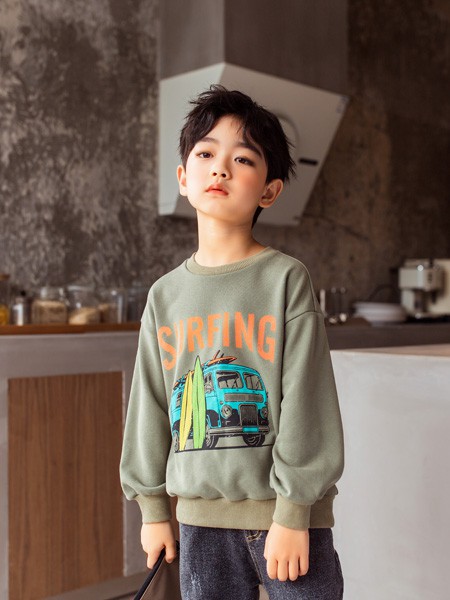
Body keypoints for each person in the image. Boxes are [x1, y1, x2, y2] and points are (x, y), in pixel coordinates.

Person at [120, 85, 344, 599]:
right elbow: (149, 405)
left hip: (285, 517)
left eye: (242, 159)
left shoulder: (285, 280)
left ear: (269, 190)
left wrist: (293, 512)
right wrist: (152, 509)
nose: (220, 168)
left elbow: (307, 401)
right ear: (183, 177)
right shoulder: (164, 295)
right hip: (198, 520)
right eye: (205, 154)